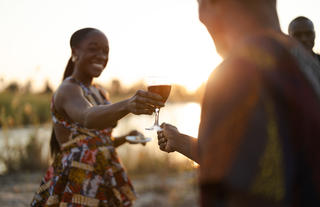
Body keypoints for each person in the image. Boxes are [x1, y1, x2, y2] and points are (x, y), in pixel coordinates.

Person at [157, 0, 320, 206]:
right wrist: (180, 141)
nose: (200, 16)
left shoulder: (238, 72)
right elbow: (265, 160)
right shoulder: (306, 64)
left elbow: (237, 189)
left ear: (212, 4)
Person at [31, 28, 164, 207]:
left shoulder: (100, 91)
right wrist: (127, 104)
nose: (101, 56)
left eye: (105, 51)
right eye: (93, 48)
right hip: (77, 180)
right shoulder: (68, 89)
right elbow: (87, 116)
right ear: (74, 52)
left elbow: (95, 143)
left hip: (105, 174)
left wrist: (124, 138)